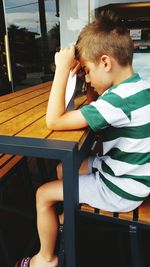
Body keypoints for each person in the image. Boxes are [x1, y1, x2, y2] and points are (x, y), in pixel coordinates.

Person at [16, 9, 150, 267]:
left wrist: (61, 71)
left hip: (120, 189)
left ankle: (45, 258)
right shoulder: (138, 88)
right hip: (134, 176)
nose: (86, 78)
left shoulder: (116, 101)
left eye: (87, 71)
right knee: (61, 169)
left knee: (43, 194)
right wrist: (90, 84)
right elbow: (95, 108)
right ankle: (69, 217)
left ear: (106, 63)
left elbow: (53, 121)